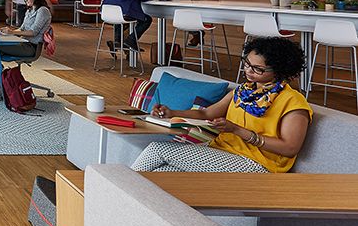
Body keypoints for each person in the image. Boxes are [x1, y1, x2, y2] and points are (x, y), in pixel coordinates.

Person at [132, 37, 311, 173]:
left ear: (280, 70)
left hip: (258, 164)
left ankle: (112, 194)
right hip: (222, 151)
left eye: (258, 69)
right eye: (247, 64)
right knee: (160, 174)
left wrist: (237, 130)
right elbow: (206, 114)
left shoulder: (292, 101)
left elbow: (290, 148)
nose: (248, 71)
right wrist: (171, 112)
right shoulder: (243, 92)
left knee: (157, 149)